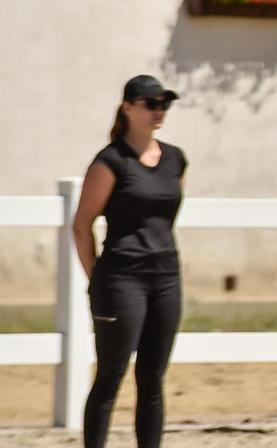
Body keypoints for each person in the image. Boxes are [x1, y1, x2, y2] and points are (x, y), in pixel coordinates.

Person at [72, 75, 187, 448]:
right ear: (128, 107)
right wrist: (98, 280)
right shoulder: (110, 162)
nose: (159, 111)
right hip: (121, 278)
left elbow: (166, 218)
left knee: (153, 377)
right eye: (151, 103)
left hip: (166, 277)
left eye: (164, 103)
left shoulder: (175, 159)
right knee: (111, 375)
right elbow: (81, 225)